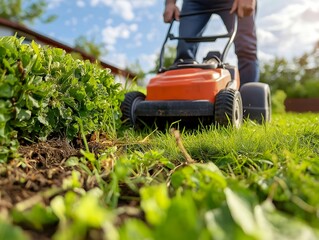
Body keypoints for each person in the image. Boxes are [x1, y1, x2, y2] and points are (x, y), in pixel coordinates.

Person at [163, 0, 258, 85]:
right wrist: (170, 3)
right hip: (194, 2)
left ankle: (248, 101)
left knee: (246, 48)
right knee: (184, 53)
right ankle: (182, 96)